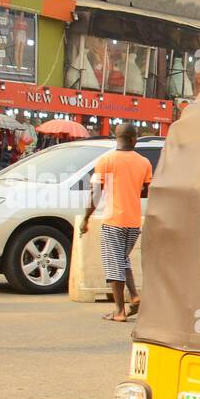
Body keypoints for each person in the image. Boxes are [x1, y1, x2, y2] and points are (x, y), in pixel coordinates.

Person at [81, 121, 151, 322]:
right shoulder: (144, 162)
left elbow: (95, 193)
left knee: (114, 264)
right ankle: (135, 296)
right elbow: (146, 189)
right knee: (122, 259)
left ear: (117, 138)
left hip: (113, 220)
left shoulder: (106, 160)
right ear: (133, 139)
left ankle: (119, 311)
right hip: (133, 221)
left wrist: (86, 218)